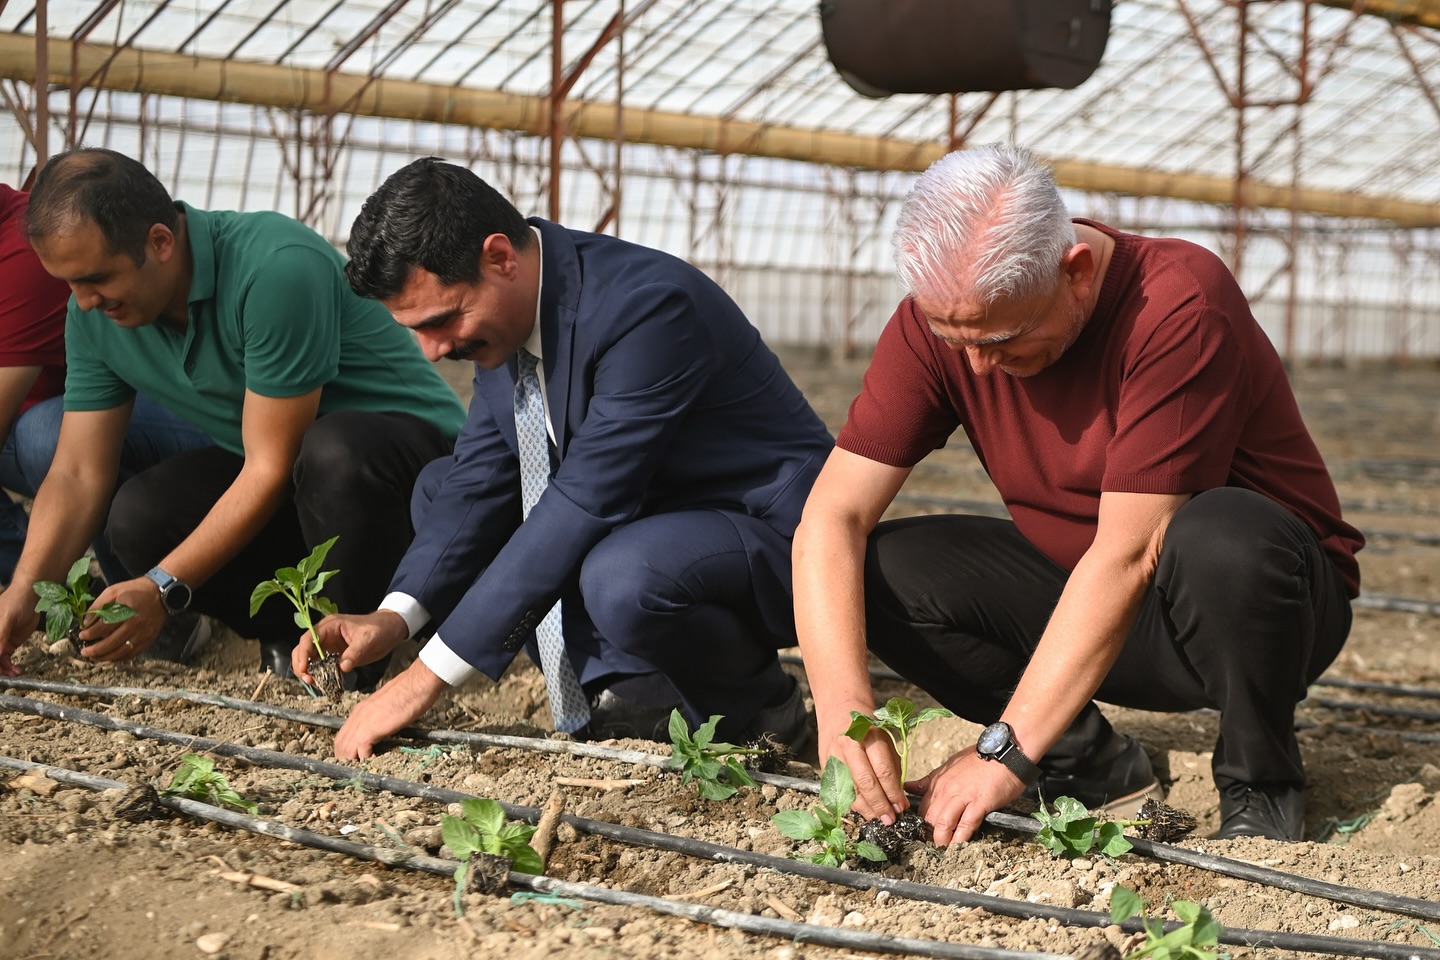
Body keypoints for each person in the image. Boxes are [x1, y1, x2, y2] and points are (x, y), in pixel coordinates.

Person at [792, 143, 1362, 845]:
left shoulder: (1176, 300)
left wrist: (1003, 751)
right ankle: (1091, 765)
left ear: (1077, 273)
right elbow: (831, 516)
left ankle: (1261, 780)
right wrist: (844, 713)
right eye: (953, 337)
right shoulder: (944, 325)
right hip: (1098, 605)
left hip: (1258, 615)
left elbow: (1131, 552)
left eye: (1001, 338)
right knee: (885, 569)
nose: (977, 365)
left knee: (1222, 535)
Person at [296, 157, 835, 760]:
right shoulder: (511, 320)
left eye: (443, 321)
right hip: (657, 523)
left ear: (500, 258)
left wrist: (421, 679)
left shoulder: (646, 309)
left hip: (777, 543)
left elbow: (586, 500)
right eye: (416, 330)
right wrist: (394, 618)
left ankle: (763, 709)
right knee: (438, 486)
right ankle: (635, 692)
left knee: (623, 573)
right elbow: (478, 482)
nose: (433, 351)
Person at [0, 148, 466, 680]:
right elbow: (78, 471)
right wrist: (22, 591)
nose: (83, 302)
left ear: (160, 241)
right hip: (301, 482)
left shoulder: (273, 268)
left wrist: (162, 586)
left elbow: (269, 466)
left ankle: (359, 663)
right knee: (140, 516)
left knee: (331, 449)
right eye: (70, 284)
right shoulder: (95, 314)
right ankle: (292, 637)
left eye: (97, 279)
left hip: (417, 484)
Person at [1, 182, 212, 587]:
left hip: (104, 415)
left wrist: (161, 589)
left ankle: (150, 600)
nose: (83, 301)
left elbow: (77, 469)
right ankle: (64, 596)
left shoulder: (28, 249)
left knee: (49, 438)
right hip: (70, 414)